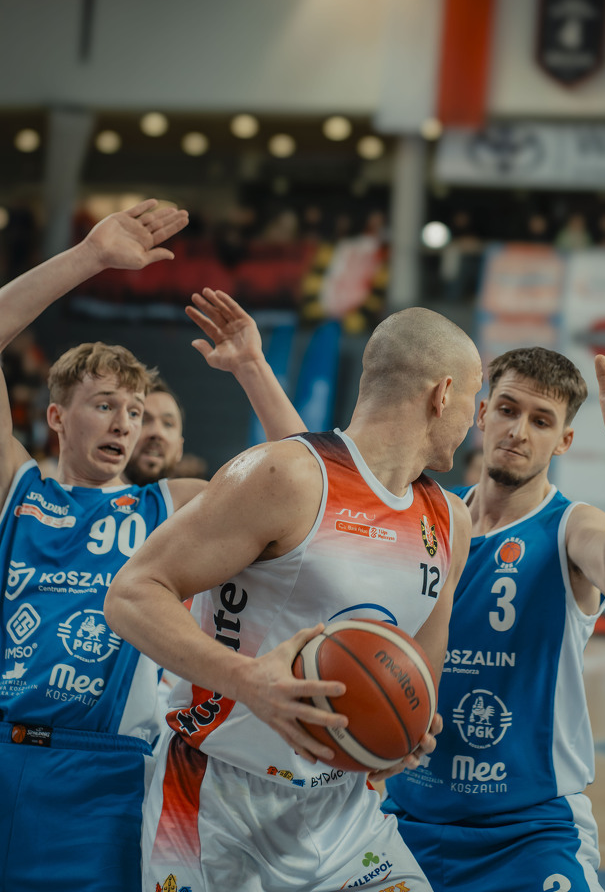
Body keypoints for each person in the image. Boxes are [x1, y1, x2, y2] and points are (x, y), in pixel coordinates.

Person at [104, 296, 483, 892]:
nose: (473, 421)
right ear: (443, 393)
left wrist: (405, 732)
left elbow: (419, 678)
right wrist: (247, 680)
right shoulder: (286, 474)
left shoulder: (450, 521)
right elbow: (130, 594)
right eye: (473, 401)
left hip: (345, 811)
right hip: (215, 799)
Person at [0, 206, 291, 892]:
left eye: (134, 412)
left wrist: (252, 368)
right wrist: (88, 258)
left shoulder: (171, 505)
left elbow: (301, 482)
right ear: (56, 417)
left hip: (111, 773)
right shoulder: (18, 487)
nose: (124, 424)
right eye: (105, 404)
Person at [381, 328, 605, 892]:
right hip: (403, 818)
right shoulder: (429, 519)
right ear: (482, 414)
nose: (518, 431)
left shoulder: (569, 526)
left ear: (564, 441)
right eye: (509, 410)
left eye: (541, 421)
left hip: (528, 831)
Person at [123, 377, 185, 486]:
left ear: (180, 449)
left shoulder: (200, 495)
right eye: (143, 420)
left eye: (168, 423)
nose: (157, 432)